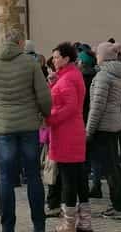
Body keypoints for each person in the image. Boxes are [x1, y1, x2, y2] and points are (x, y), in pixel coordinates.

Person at [0, 28, 53, 232]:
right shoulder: (30, 63)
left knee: (6, 180)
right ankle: (39, 226)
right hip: (28, 127)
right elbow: (44, 96)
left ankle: (8, 228)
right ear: (20, 44)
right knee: (34, 177)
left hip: (5, 129)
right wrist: (44, 114)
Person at [47, 42, 91, 232]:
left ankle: (69, 223)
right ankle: (85, 221)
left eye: (57, 57)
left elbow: (70, 106)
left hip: (66, 133)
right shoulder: (69, 75)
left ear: (66, 59)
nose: (54, 60)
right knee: (79, 177)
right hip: (72, 131)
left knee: (68, 180)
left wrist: (50, 119)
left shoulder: (67, 78)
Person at [85, 41, 121, 221]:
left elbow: (97, 107)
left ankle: (120, 207)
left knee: (110, 169)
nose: (95, 56)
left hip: (103, 127)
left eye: (98, 54)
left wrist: (88, 131)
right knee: (115, 167)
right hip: (113, 125)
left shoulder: (104, 76)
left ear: (103, 56)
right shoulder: (116, 73)